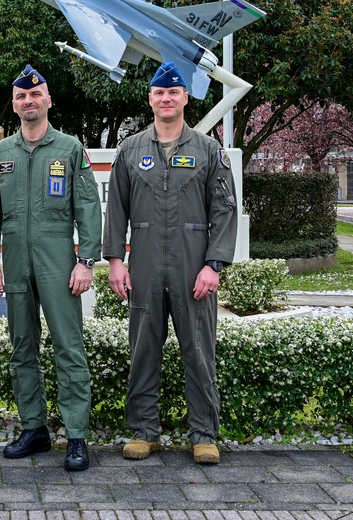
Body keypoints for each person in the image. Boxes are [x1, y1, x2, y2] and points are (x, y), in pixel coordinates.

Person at [103, 61, 237, 465]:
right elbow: (117, 211)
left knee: (198, 350)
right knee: (144, 348)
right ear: (150, 99)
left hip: (192, 264)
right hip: (144, 263)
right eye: (159, 93)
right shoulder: (131, 150)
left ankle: (204, 434)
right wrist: (115, 260)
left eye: (173, 92)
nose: (166, 98)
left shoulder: (208, 150)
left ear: (185, 98)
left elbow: (225, 210)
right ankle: (145, 433)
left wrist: (213, 264)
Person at [0, 64, 103, 472]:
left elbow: (87, 207)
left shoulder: (69, 149)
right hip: (15, 260)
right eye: (21, 96)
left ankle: (77, 436)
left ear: (48, 101)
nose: (28, 101)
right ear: (14, 105)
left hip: (58, 261)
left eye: (36, 95)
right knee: (22, 347)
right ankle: (34, 428)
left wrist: (86, 261)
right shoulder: (3, 152)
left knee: (68, 347)